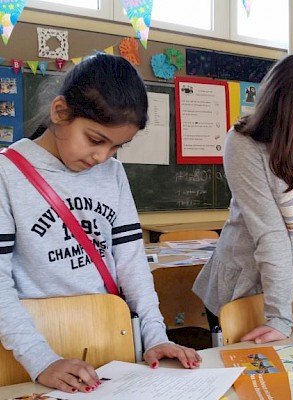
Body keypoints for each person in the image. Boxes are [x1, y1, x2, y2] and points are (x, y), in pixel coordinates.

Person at [0, 53, 201, 394]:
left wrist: (155, 335)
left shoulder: (113, 174)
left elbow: (131, 264)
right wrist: (41, 359)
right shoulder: (7, 173)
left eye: (116, 147)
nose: (101, 157)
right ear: (60, 112)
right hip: (31, 354)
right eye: (95, 140)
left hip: (112, 346)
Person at [192, 48, 293, 344]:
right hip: (242, 283)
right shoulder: (245, 144)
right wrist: (279, 318)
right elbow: (271, 235)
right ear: (281, 122)